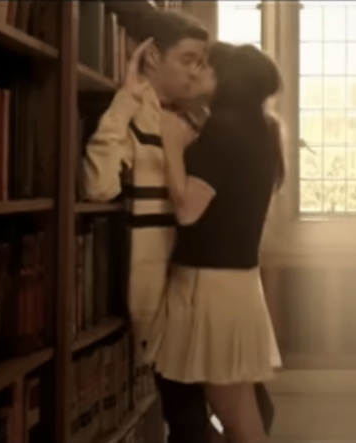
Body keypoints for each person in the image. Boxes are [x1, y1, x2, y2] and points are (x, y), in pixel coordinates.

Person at [81, 11, 274, 443]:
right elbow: (97, 186)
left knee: (256, 410)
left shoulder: (205, 121)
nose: (196, 70)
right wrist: (126, 100)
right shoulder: (136, 116)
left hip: (206, 294)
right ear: (153, 57)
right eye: (188, 59)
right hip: (164, 301)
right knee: (190, 425)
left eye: (202, 61)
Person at [157, 41, 284, 443]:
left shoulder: (225, 129)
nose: (197, 73)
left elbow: (187, 210)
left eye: (207, 69)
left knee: (241, 422)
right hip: (234, 286)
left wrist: (173, 148)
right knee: (242, 416)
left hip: (211, 289)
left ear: (228, 81)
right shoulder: (256, 126)